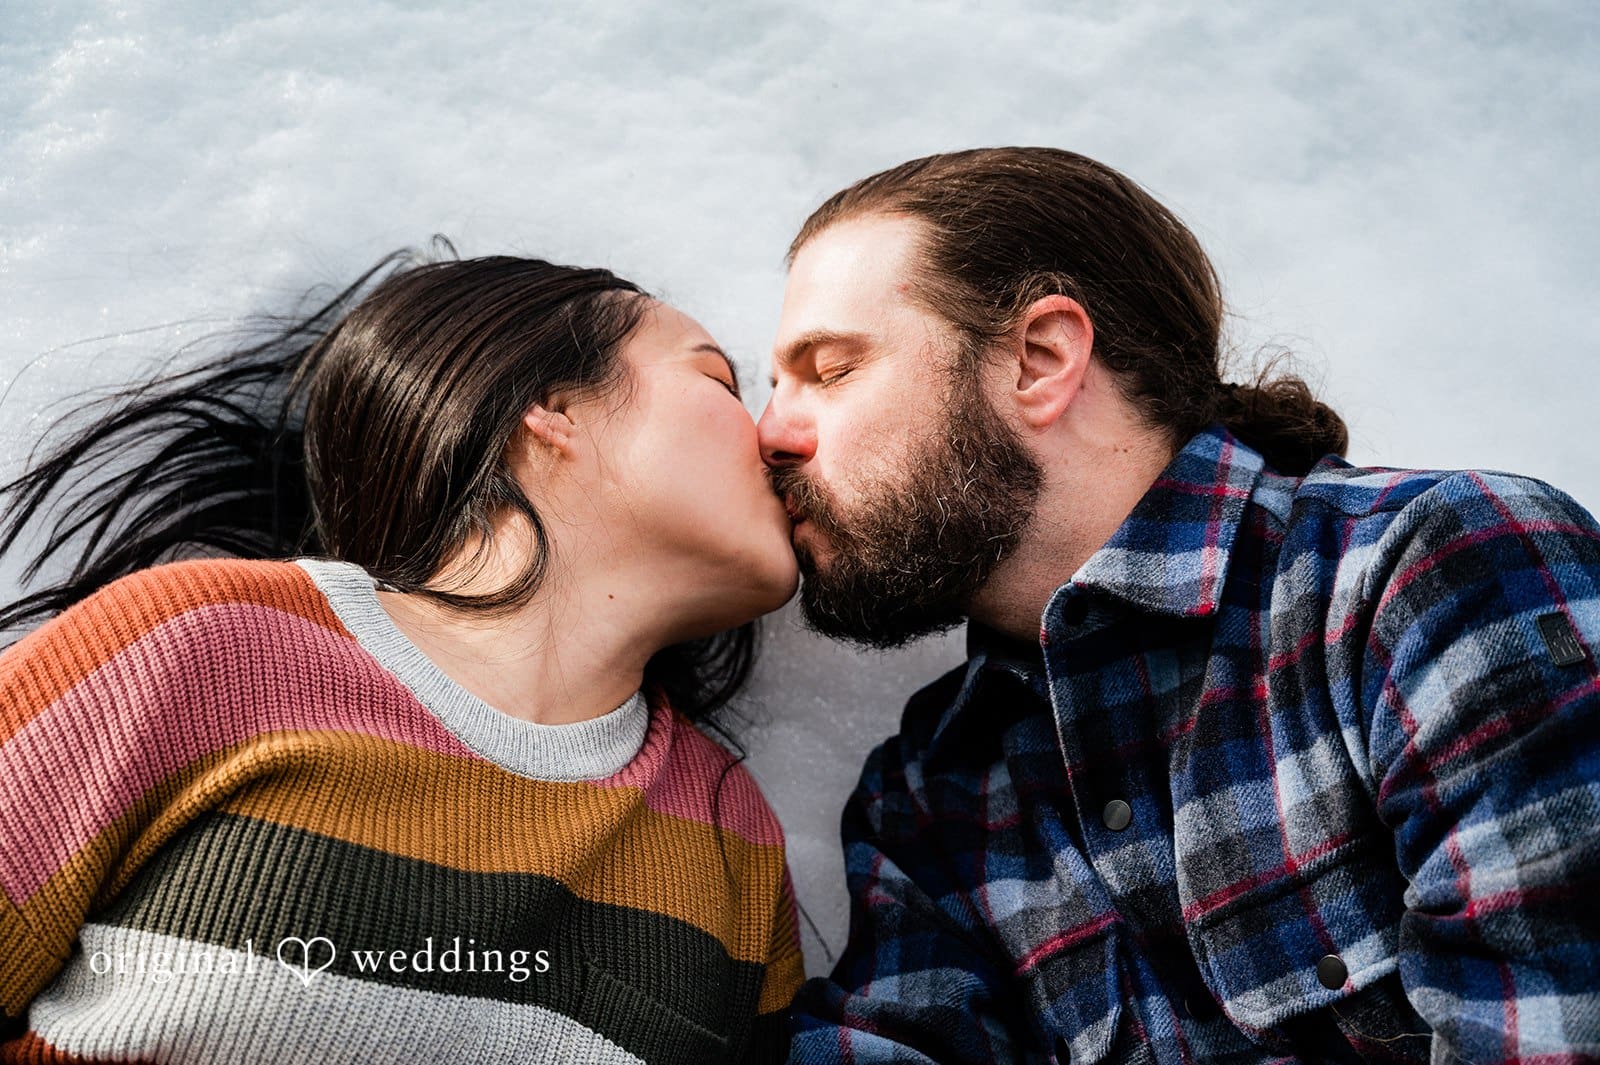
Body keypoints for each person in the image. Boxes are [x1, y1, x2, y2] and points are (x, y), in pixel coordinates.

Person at [759, 148, 1600, 1063]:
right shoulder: (930, 792)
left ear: (1041, 359)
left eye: (831, 368)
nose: (771, 431)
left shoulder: (1431, 571)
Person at [0, 245, 804, 1063]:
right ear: (555, 406)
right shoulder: (203, 646)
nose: (777, 438)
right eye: (721, 381)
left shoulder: (735, 840)